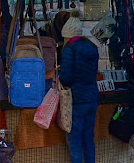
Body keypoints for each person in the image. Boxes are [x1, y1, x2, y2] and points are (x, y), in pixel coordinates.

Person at [58, 10, 100, 163]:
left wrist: (59, 78)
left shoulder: (70, 50)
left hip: (77, 99)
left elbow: (66, 77)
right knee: (89, 138)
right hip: (92, 98)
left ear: (67, 35)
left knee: (75, 139)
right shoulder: (92, 48)